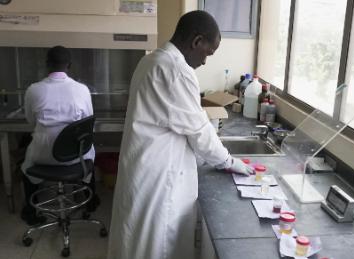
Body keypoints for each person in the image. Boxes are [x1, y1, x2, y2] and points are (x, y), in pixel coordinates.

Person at [107, 10, 254, 259]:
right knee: (157, 246)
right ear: (197, 41)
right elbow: (198, 131)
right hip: (159, 178)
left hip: (145, 168)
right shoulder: (175, 70)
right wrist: (229, 162)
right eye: (208, 52)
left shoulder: (151, 60)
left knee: (138, 242)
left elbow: (180, 121)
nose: (206, 61)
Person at [20, 46, 99, 225]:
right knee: (89, 156)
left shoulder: (34, 89)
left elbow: (30, 121)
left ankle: (31, 212)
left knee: (26, 167)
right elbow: (87, 124)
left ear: (47, 65)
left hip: (43, 158)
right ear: (69, 65)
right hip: (74, 157)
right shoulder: (82, 89)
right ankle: (90, 202)